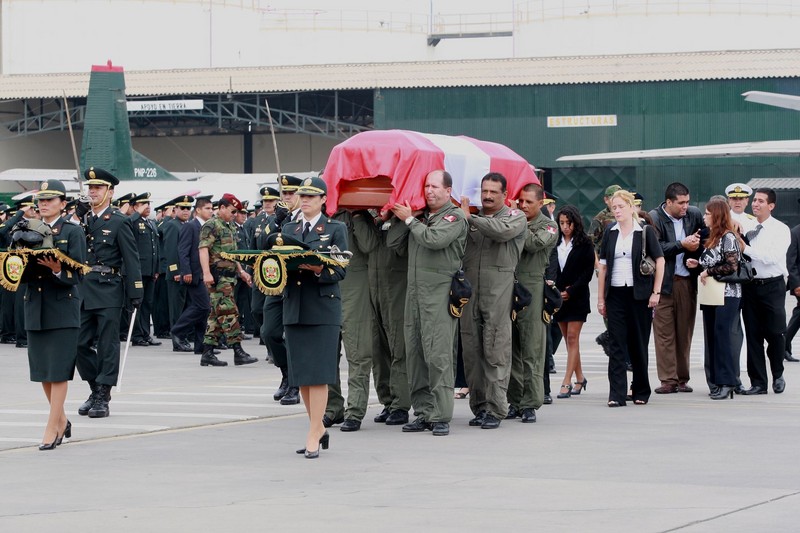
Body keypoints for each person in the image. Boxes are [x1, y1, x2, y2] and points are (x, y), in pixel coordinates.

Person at [390, 169, 468, 436]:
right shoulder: (422, 218)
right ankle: (423, 412)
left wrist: (410, 219)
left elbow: (435, 240)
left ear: (449, 191)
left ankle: (441, 414)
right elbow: (393, 243)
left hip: (439, 294)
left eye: (434, 186)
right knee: (415, 356)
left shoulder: (453, 216)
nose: (429, 191)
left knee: (438, 356)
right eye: (425, 186)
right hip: (415, 295)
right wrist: (397, 218)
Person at [280, 177, 348, 458]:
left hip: (322, 307)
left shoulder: (335, 228)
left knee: (319, 373)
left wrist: (318, 269)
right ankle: (317, 427)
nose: (305, 199)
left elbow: (341, 268)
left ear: (323, 200)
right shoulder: (288, 228)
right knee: (303, 375)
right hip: (295, 305)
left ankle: (312, 432)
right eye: (302, 195)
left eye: (312, 196)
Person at [21, 180, 86, 449]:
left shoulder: (71, 231)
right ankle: (61, 420)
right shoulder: (27, 228)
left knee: (58, 370)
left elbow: (79, 272)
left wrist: (59, 269)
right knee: (43, 372)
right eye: (41, 200)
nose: (44, 204)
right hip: (35, 304)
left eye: (50, 199)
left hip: (61, 306)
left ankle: (52, 427)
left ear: (63, 202)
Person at [458, 173, 526, 430]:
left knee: (496, 350)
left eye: (493, 192)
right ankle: (479, 407)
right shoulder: (471, 218)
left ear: (504, 195)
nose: (487, 196)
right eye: (484, 191)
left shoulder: (514, 217)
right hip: (471, 291)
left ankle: (496, 409)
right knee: (472, 351)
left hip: (498, 292)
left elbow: (502, 232)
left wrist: (470, 218)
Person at [76, 167, 143, 418]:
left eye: (98, 188)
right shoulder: (82, 220)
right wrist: (76, 218)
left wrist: (136, 289)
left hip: (108, 288)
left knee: (107, 345)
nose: (92, 191)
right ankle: (95, 387)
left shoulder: (119, 220)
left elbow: (131, 258)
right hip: (83, 289)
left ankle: (103, 394)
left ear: (110, 192)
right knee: (78, 344)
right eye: (90, 187)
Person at [597, 190, 665, 407]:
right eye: (613, 207)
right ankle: (616, 394)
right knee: (616, 344)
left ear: (630, 207)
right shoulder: (610, 232)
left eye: (620, 207)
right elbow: (603, 266)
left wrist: (656, 292)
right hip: (615, 293)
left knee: (638, 343)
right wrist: (601, 299)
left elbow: (660, 261)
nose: (616, 211)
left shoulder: (644, 231)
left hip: (640, 295)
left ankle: (640, 390)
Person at [354, 211, 411, 426]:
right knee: (378, 349)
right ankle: (387, 401)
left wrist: (398, 217)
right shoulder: (371, 222)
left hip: (396, 290)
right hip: (373, 289)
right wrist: (361, 217)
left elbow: (398, 245)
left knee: (398, 347)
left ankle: (400, 404)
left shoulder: (401, 223)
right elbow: (366, 245)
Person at [507, 183, 558, 422]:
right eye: (521, 201)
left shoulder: (549, 225)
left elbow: (534, 244)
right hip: (509, 285)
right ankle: (514, 400)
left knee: (531, 349)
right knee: (511, 349)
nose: (523, 205)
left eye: (529, 202)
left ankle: (531, 402)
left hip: (533, 287)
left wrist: (516, 223)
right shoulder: (515, 220)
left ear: (541, 203)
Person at [648, 182, 704, 394]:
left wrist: (696, 250)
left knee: (684, 331)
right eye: (681, 203)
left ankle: (682, 378)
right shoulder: (655, 217)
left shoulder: (694, 215)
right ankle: (668, 380)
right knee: (664, 334)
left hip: (686, 282)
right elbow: (657, 247)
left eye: (688, 202)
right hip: (662, 284)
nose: (685, 207)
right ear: (668, 202)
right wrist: (682, 245)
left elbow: (705, 236)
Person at [687, 199, 744, 400]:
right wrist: (698, 264)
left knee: (723, 336)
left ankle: (728, 381)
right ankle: (717, 381)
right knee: (712, 336)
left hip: (727, 294)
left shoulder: (728, 237)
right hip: (711, 293)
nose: (704, 217)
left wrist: (708, 271)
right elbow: (712, 260)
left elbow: (732, 266)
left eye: (708, 214)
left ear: (717, 215)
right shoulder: (713, 238)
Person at [740, 188, 791, 395]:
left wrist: (747, 249)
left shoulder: (780, 229)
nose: (755, 204)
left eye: (761, 201)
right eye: (754, 200)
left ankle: (778, 374)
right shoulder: (748, 227)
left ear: (771, 206)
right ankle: (758, 382)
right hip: (751, 286)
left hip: (773, 286)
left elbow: (771, 258)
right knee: (753, 335)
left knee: (775, 333)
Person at [198, 193, 257, 366]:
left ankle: (207, 353)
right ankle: (238, 351)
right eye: (232, 211)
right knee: (230, 313)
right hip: (218, 277)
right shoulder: (211, 225)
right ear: (222, 208)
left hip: (230, 277)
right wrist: (206, 273)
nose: (234, 215)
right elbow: (203, 250)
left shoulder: (230, 226)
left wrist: (242, 272)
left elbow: (232, 254)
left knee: (216, 316)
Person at [261, 176, 304, 406]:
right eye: (284, 193)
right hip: (277, 285)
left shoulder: (304, 219)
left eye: (292, 193)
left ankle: (295, 384)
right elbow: (260, 244)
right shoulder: (277, 219)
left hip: (297, 285)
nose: (287, 197)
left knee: (294, 335)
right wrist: (277, 221)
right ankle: (286, 374)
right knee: (269, 332)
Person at [547, 205, 594, 399]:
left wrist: (571, 291)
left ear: (576, 222)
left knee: (573, 338)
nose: (565, 227)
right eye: (562, 223)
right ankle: (580, 377)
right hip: (559, 297)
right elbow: (551, 268)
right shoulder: (555, 242)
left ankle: (567, 381)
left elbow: (587, 273)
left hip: (577, 296)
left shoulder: (585, 243)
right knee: (568, 340)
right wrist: (557, 291)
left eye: (569, 223)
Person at [171, 196, 213, 357]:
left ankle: (200, 345)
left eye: (211, 208)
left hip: (204, 273)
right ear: (198, 210)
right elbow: (183, 250)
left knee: (204, 311)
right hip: (193, 274)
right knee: (203, 307)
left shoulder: (207, 227)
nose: (211, 211)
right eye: (207, 208)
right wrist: (186, 271)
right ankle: (177, 331)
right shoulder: (190, 226)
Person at [590, 184, 622, 357]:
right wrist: (598, 267)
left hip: (622, 267)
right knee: (608, 309)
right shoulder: (600, 218)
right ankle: (611, 338)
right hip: (606, 268)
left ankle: (612, 339)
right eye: (612, 197)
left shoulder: (627, 215)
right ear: (606, 199)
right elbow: (591, 244)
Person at [129, 193, 162, 347]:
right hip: (138, 271)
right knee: (138, 304)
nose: (147, 207)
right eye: (143, 204)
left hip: (150, 271)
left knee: (148, 303)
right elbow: (127, 223)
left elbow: (155, 249)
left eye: (148, 203)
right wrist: (136, 213)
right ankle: (136, 335)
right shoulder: (132, 222)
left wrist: (156, 269)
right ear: (135, 207)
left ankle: (145, 334)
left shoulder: (151, 223)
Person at [160, 196, 192, 351]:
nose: (186, 211)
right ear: (175, 210)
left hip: (186, 273)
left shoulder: (185, 225)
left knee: (186, 307)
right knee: (177, 310)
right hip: (177, 274)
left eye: (188, 208)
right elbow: (171, 250)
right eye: (182, 208)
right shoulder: (173, 225)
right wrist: (176, 271)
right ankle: (178, 341)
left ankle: (184, 337)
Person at [787, 219, 800, 362]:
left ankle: (784, 344)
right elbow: (791, 261)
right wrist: (796, 284)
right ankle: (784, 344)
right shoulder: (795, 232)